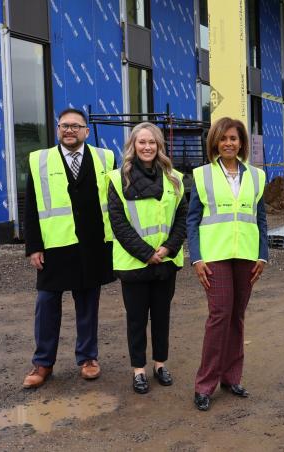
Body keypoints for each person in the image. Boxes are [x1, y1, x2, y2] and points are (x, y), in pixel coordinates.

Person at [22, 108, 116, 389]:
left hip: (93, 244)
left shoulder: (105, 157)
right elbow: (31, 206)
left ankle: (88, 358)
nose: (70, 130)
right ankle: (42, 363)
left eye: (76, 126)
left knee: (88, 304)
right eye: (65, 125)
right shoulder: (39, 160)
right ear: (58, 129)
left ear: (86, 131)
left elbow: (115, 199)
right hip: (55, 246)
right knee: (47, 304)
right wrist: (34, 247)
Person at [187, 117, 268, 411]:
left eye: (233, 138)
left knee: (237, 317)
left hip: (246, 257)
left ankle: (231, 377)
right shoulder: (202, 175)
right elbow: (192, 219)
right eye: (223, 139)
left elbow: (260, 218)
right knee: (219, 316)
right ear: (215, 143)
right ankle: (205, 384)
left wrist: (263, 255)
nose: (228, 143)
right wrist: (196, 257)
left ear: (241, 143)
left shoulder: (256, 177)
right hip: (214, 257)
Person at [107, 122, 187, 394]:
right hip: (134, 265)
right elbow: (118, 222)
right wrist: (146, 253)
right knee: (137, 319)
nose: (147, 147)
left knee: (162, 316)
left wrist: (167, 249)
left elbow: (181, 219)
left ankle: (160, 364)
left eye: (152, 142)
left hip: (165, 262)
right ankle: (139, 370)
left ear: (159, 146)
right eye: (141, 142)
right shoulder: (118, 180)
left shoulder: (174, 178)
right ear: (133, 146)